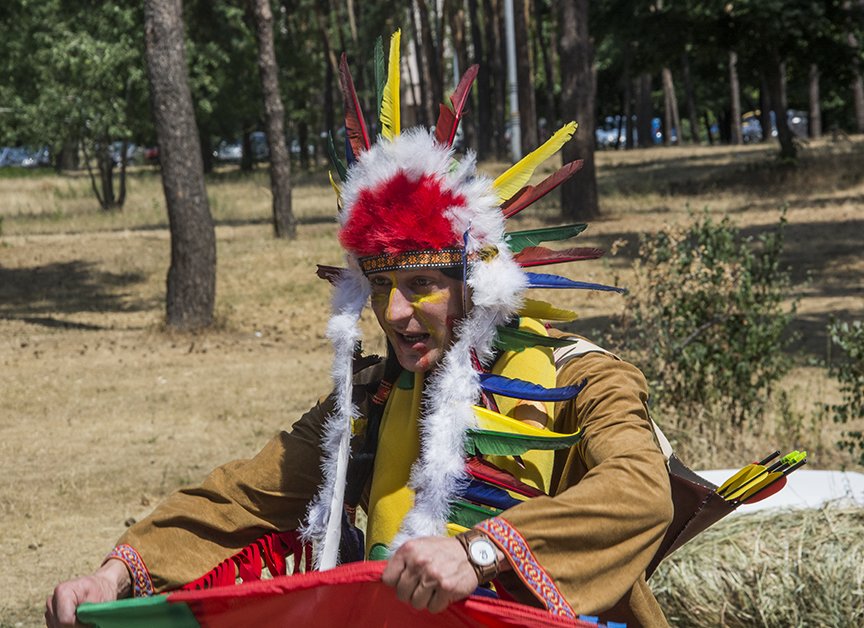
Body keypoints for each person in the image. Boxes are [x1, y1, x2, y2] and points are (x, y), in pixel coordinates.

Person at [47, 37, 673, 628]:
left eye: (420, 285)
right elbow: (240, 497)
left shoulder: (583, 377)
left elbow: (641, 493)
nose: (395, 312)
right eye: (378, 287)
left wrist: (481, 552)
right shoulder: (367, 402)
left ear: (476, 283)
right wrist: (113, 576)